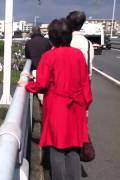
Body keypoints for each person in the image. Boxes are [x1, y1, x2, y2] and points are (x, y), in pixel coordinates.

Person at [18, 18, 93, 180]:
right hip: (76, 107)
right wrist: (85, 106)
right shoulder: (78, 55)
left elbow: (42, 84)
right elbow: (85, 83)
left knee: (57, 149)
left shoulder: (49, 57)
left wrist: (28, 85)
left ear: (52, 37)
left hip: (57, 108)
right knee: (73, 149)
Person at [67, 11, 94, 78]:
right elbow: (89, 65)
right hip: (83, 82)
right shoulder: (88, 43)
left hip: (67, 81)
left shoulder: (65, 41)